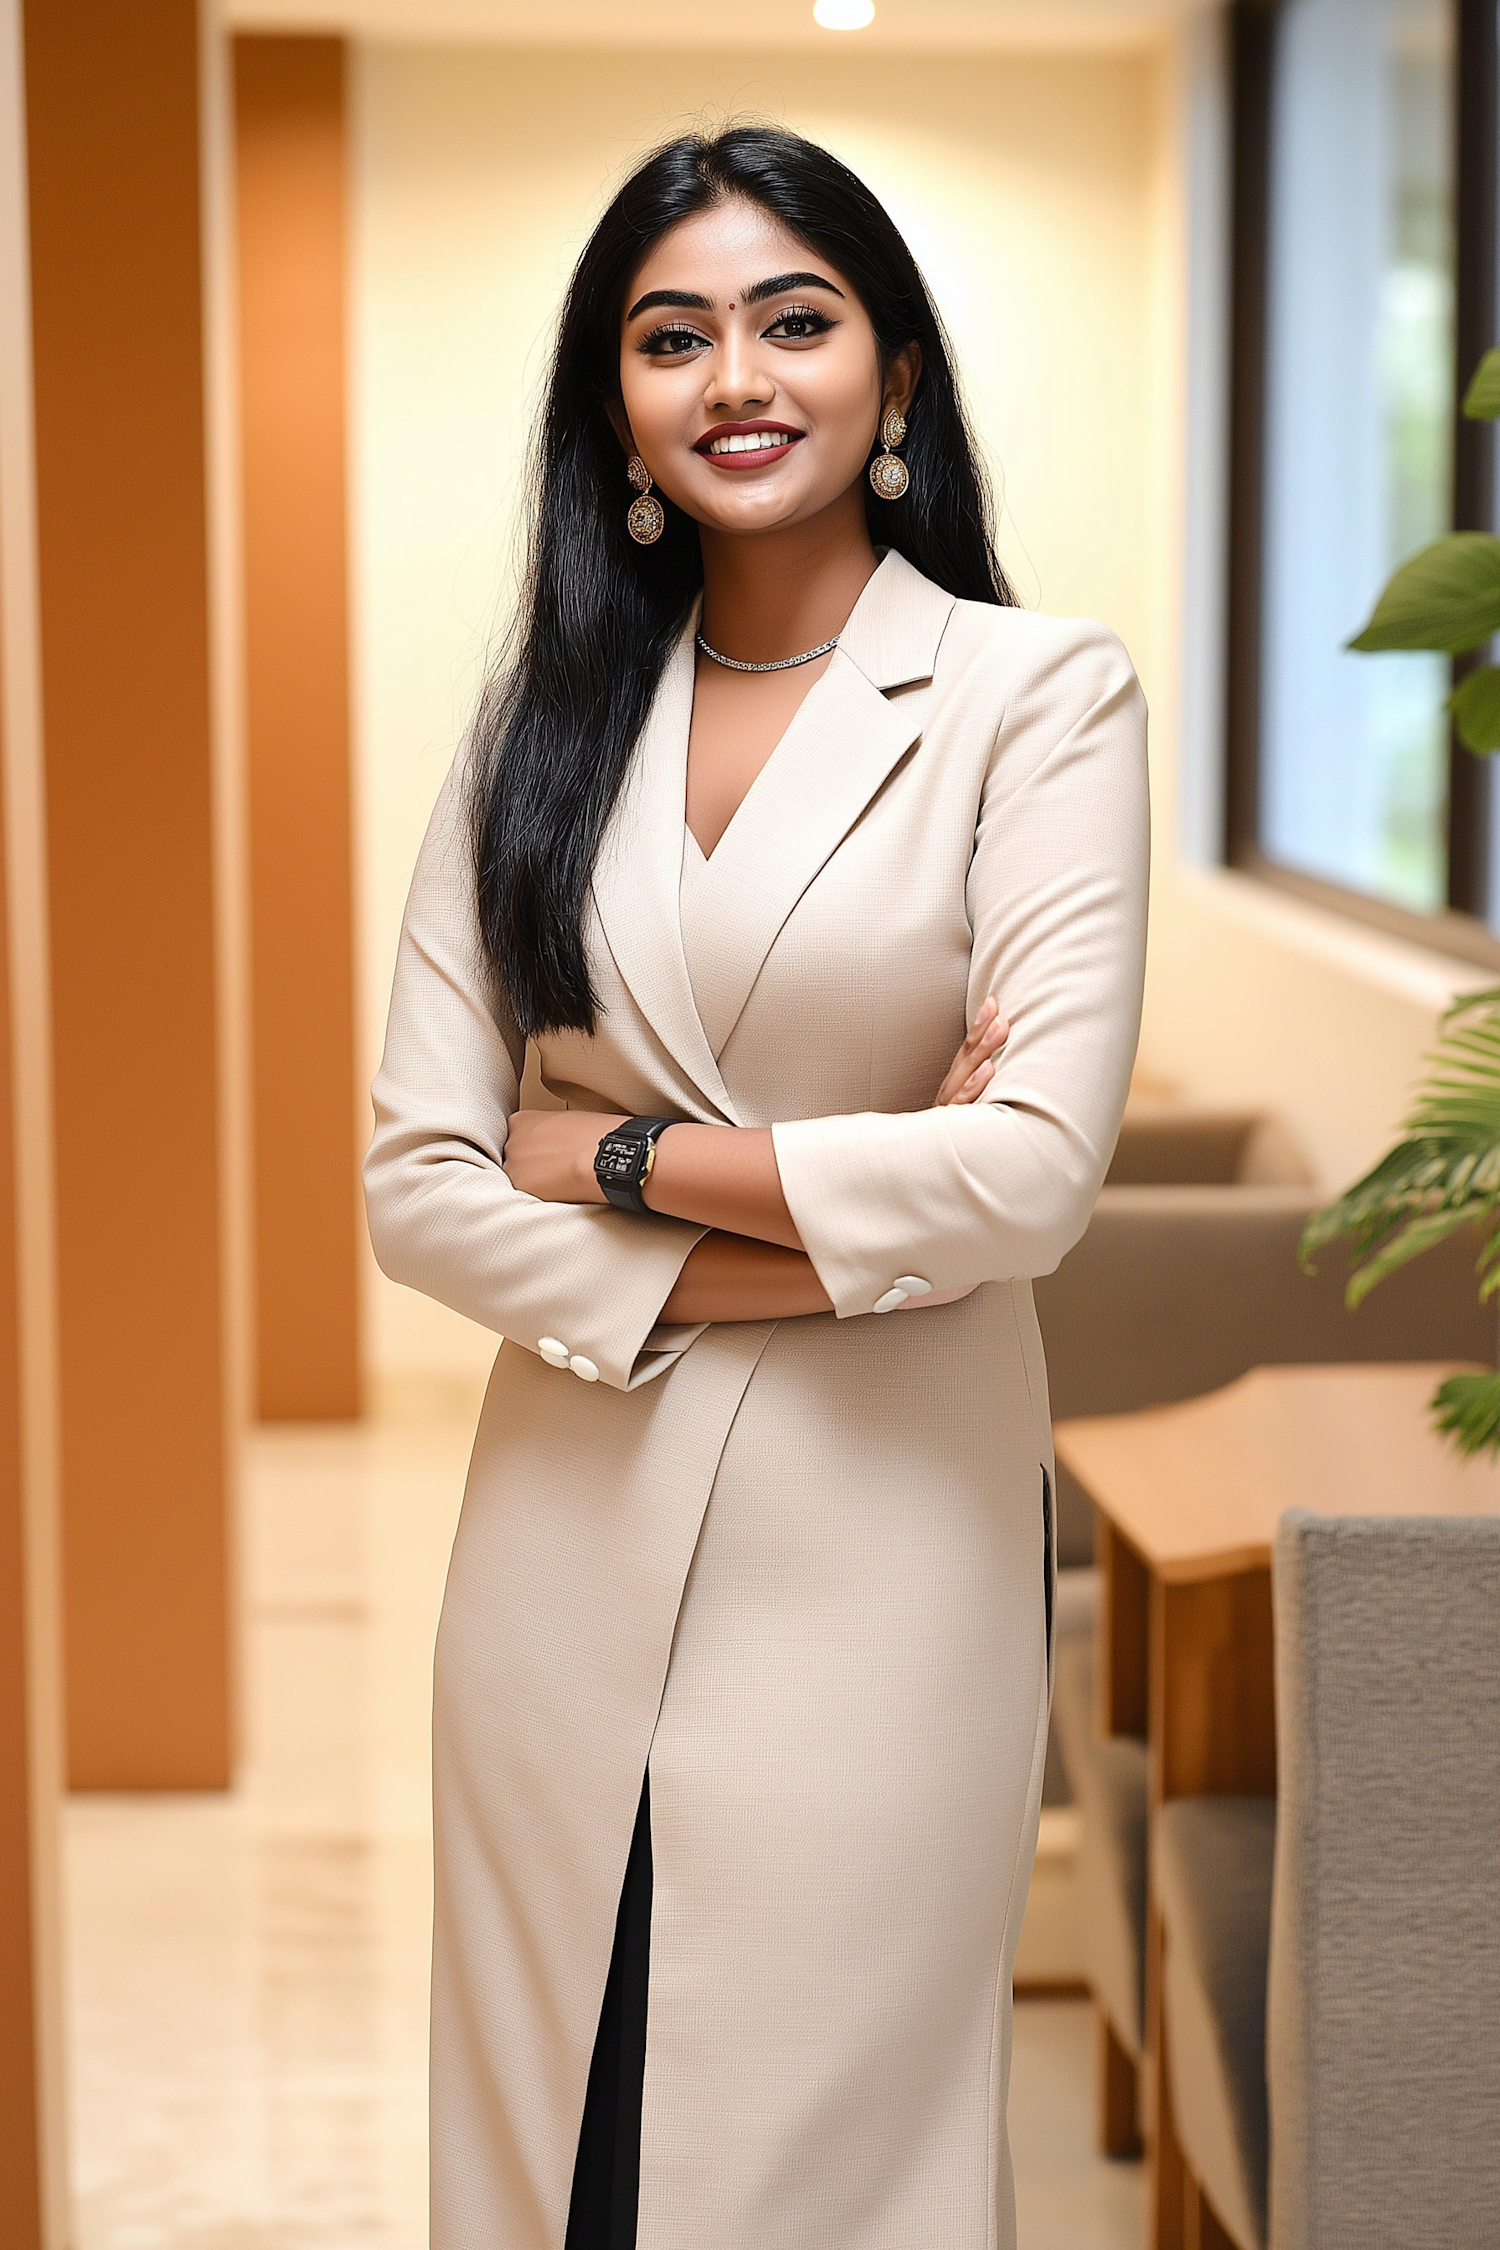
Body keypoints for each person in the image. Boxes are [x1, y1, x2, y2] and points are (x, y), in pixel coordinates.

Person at [364, 123, 1148, 2250]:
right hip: (557, 1543)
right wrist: (812, 1252)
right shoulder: (534, 725)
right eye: (672, 334)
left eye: (795, 321)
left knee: (824, 2161)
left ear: (895, 375)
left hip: (880, 1561)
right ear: (611, 403)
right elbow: (417, 1186)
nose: (737, 376)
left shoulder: (1033, 700)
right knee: (570, 2149)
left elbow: (1030, 1175)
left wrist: (615, 1157)